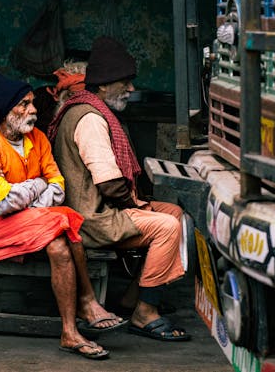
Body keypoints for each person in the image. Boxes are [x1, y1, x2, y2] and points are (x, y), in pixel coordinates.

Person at [0, 69, 128, 360]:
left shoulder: (37, 139)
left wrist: (30, 198)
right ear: (5, 110)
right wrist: (38, 186)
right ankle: (87, 302)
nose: (34, 110)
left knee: (59, 241)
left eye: (32, 103)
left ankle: (69, 332)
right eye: (24, 104)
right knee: (63, 218)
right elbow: (4, 202)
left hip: (34, 219)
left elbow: (59, 186)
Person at [47, 36, 191, 342]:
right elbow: (110, 185)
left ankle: (132, 296)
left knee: (175, 213)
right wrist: (135, 205)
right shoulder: (90, 119)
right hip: (90, 219)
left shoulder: (90, 109)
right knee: (165, 227)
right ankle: (144, 313)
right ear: (102, 86)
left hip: (100, 210)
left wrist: (137, 204)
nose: (131, 89)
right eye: (124, 83)